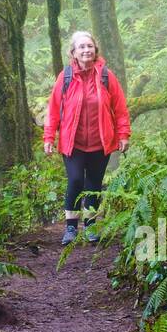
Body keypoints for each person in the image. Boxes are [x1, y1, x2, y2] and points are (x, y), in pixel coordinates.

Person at [42, 31, 131, 245]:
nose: (86, 50)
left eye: (89, 46)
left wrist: (124, 134)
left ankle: (91, 226)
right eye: (81, 47)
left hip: (101, 142)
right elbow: (53, 110)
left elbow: (120, 109)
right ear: (73, 52)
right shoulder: (66, 77)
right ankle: (71, 228)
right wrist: (48, 137)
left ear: (95, 50)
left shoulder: (106, 77)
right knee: (75, 180)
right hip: (73, 142)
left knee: (93, 185)